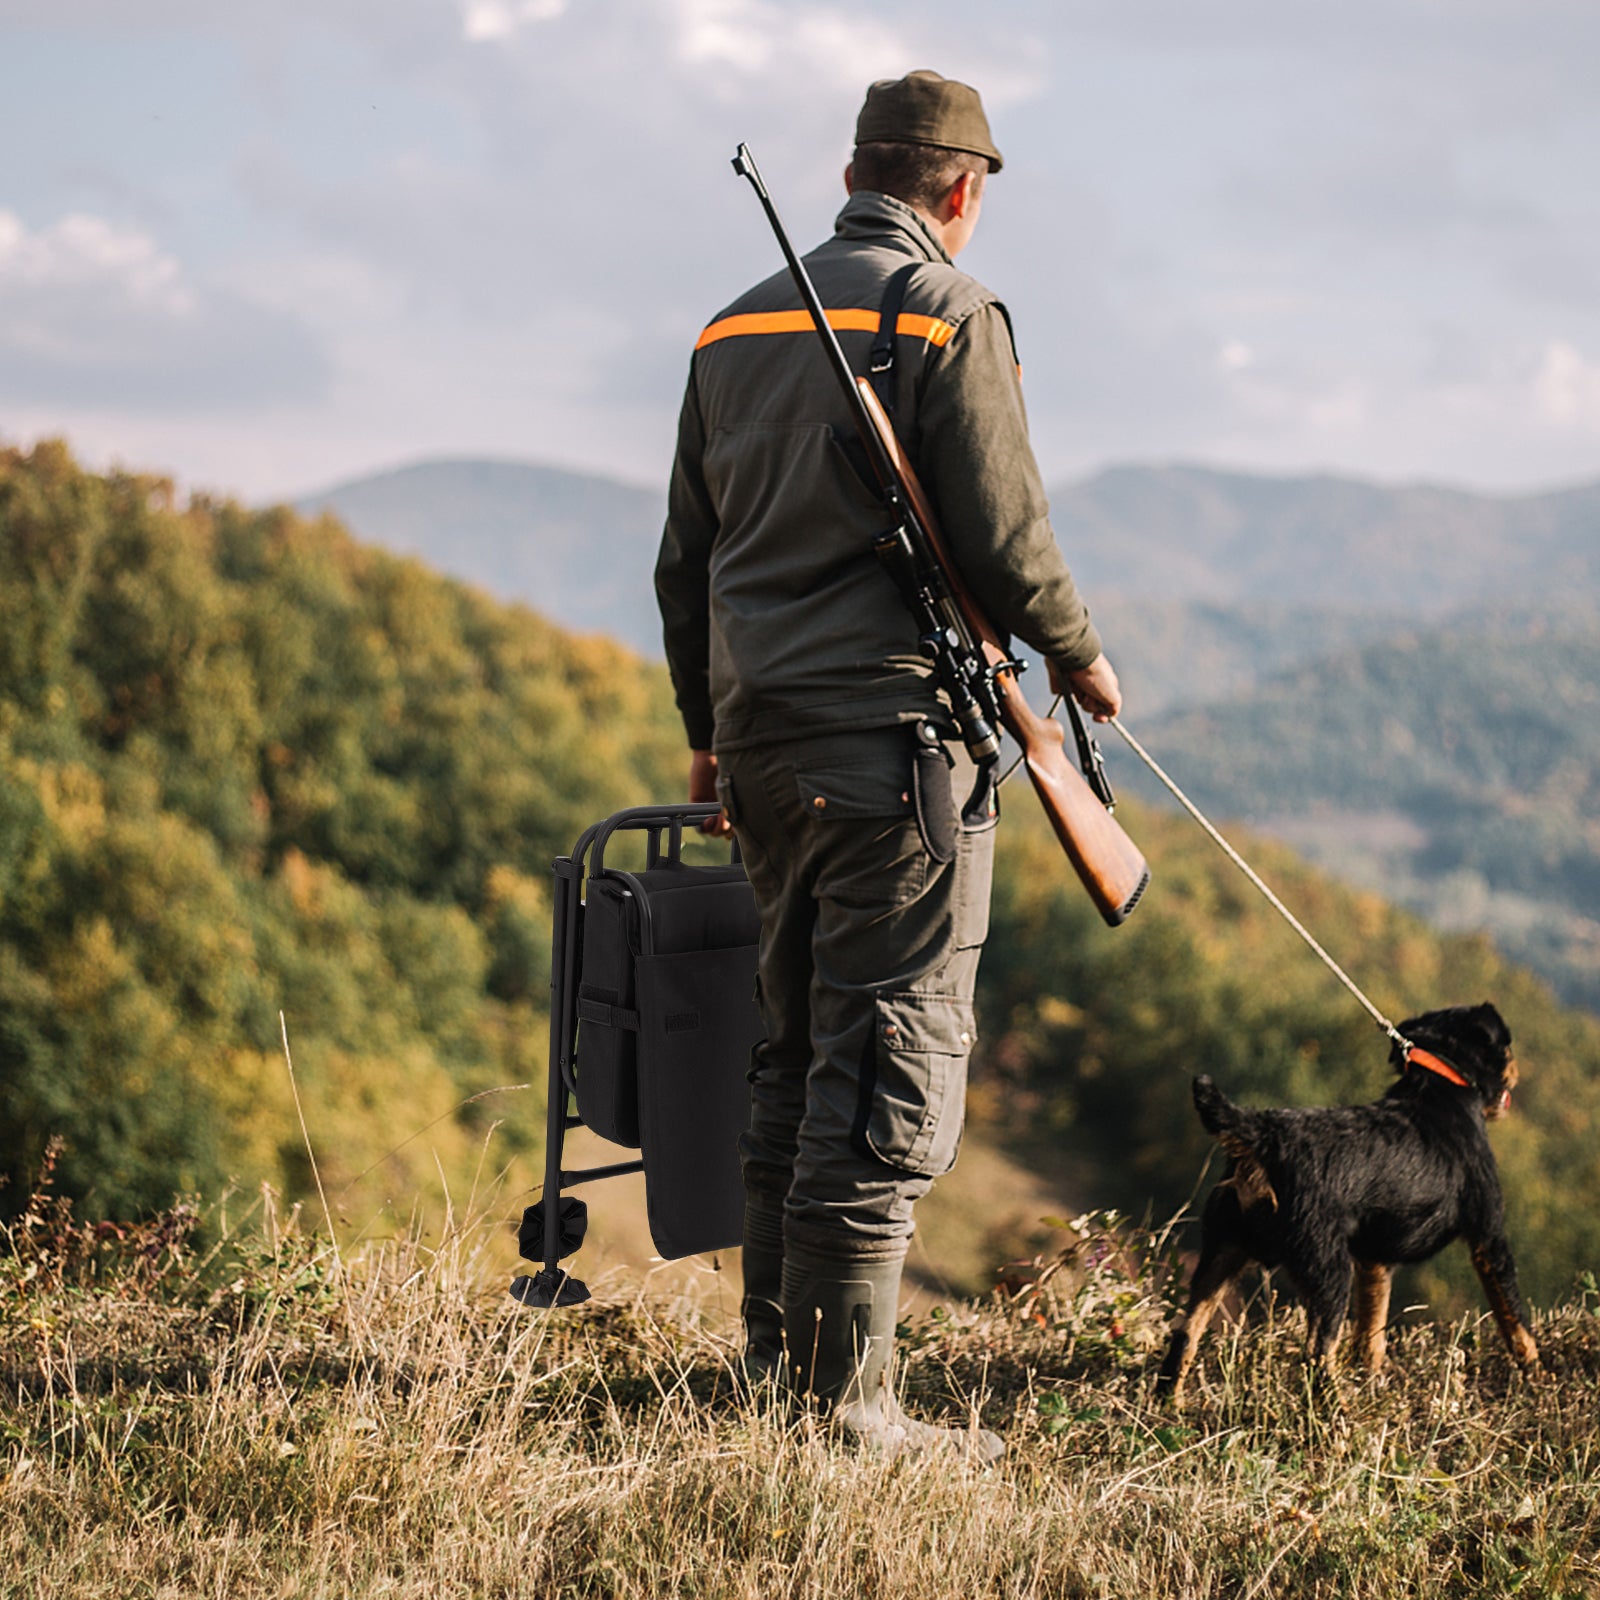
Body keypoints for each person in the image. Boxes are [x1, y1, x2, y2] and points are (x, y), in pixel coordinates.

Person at [655, 69, 1122, 1458]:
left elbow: (688, 561)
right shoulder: (950, 312)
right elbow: (1002, 524)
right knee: (889, 1057)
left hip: (761, 738)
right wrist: (1078, 653)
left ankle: (769, 1373)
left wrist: (704, 730)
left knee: (793, 1055)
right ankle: (849, 1410)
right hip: (895, 747)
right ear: (961, 192)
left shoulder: (730, 324)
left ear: (861, 169)